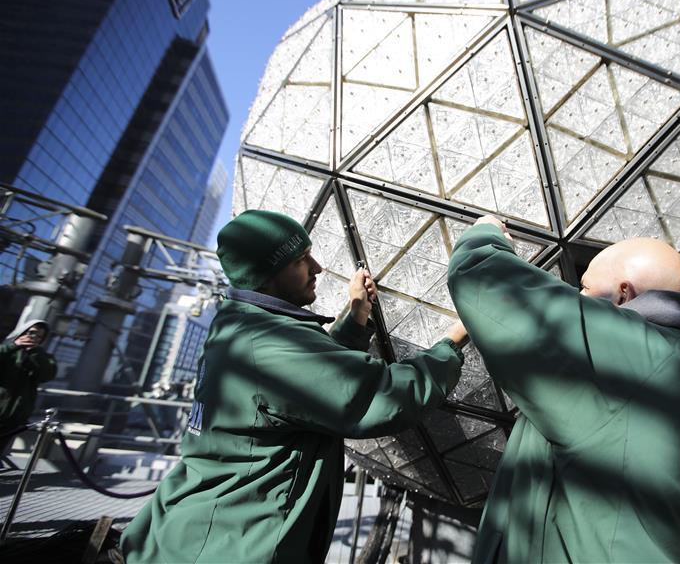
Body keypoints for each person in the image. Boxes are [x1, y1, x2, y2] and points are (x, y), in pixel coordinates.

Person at [122, 209, 467, 563]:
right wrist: (454, 341)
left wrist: (356, 317)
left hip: (196, 536)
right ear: (267, 277)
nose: (317, 267)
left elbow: (309, 385)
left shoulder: (241, 328)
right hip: (221, 550)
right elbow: (382, 398)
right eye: (301, 260)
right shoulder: (265, 347)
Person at [447, 216, 680, 564]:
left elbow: (485, 282)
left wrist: (483, 234)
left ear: (624, 293)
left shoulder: (638, 356)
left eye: (586, 288)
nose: (578, 295)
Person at [0, 319, 57, 459]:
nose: (34, 338)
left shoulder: (42, 356)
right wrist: (13, 346)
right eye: (31, 333)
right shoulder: (6, 350)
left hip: (14, 415)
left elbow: (47, 375)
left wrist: (36, 354)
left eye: (39, 337)